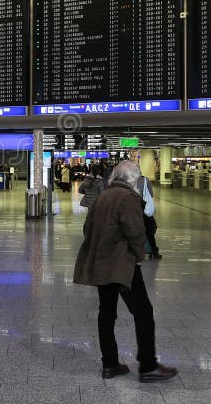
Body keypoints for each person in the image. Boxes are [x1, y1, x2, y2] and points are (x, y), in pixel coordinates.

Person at [73, 161, 176, 383]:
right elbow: (136, 232)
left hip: (101, 264)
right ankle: (148, 366)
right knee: (143, 313)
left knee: (106, 313)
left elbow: (87, 229)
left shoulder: (102, 197)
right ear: (133, 179)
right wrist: (138, 256)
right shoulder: (129, 198)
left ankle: (110, 364)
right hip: (122, 266)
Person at [138, 172, 162, 259]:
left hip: (134, 209)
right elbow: (151, 194)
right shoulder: (145, 180)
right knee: (150, 230)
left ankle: (137, 250)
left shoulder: (128, 181)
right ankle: (154, 251)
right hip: (144, 209)